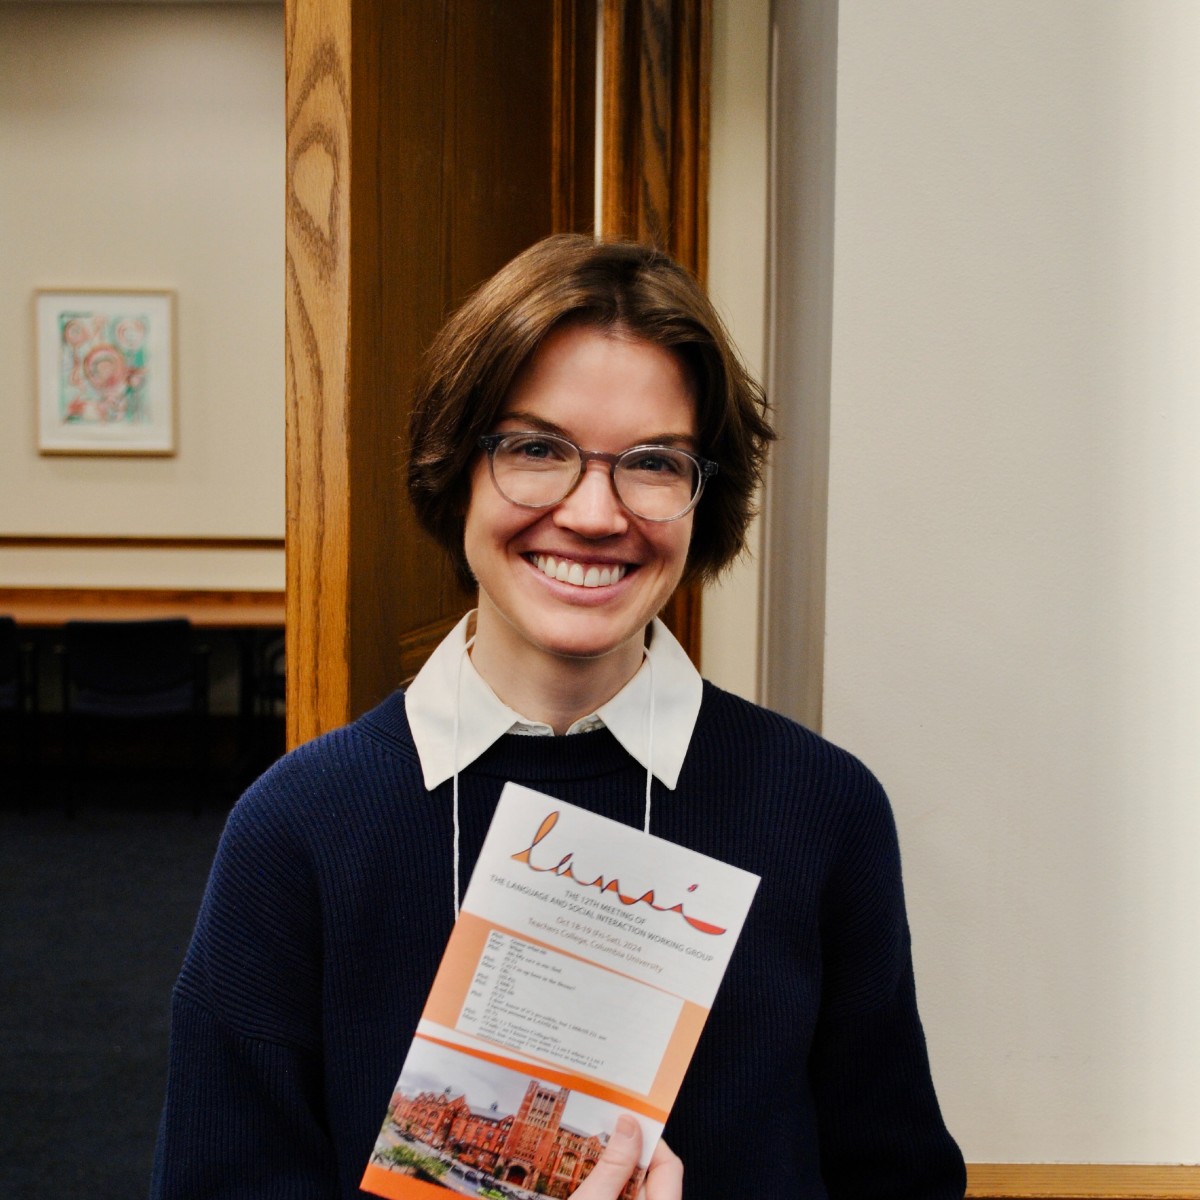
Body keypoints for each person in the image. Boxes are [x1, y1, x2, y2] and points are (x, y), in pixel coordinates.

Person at [152, 235, 964, 1199]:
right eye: (536, 448)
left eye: (654, 463)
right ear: (457, 467)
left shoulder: (825, 811)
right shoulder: (297, 830)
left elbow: (897, 1180)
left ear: (707, 498)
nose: (592, 513)